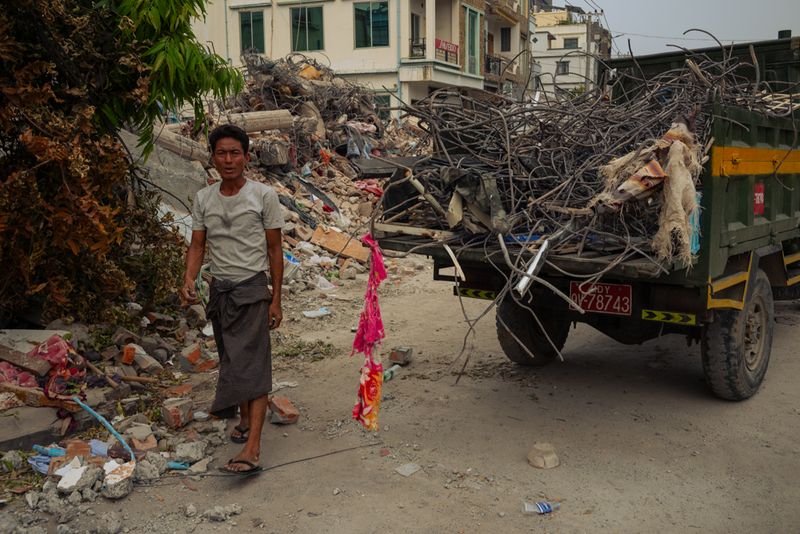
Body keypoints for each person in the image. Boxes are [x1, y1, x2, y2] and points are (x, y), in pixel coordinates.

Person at [181, 124, 284, 474]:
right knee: (231, 359)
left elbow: (274, 250)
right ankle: (244, 418)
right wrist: (189, 278)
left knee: (253, 366)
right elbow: (197, 244)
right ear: (213, 158)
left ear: (246, 157)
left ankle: (252, 448)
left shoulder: (263, 196)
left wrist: (276, 300)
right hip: (220, 292)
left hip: (251, 290)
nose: (228, 160)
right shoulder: (204, 198)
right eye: (221, 153)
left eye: (234, 153)